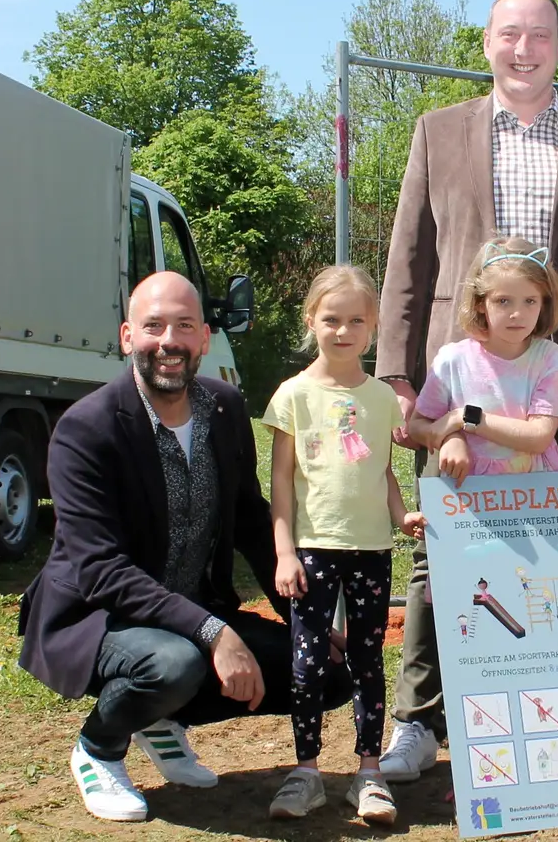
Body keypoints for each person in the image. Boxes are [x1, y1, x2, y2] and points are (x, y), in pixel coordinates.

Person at [375, 0, 558, 780]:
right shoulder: (437, 132)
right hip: (458, 385)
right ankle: (418, 718)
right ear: (487, 43)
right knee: (439, 552)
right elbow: (408, 260)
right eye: (508, 35)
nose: (523, 50)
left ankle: (555, 702)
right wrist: (395, 373)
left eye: (539, 36)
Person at [17, 272, 350, 823]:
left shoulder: (223, 409)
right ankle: (99, 749)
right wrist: (214, 633)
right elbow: (100, 570)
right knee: (175, 664)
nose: (168, 340)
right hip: (99, 617)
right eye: (153, 326)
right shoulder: (86, 430)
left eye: (184, 326)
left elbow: (249, 521)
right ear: (128, 337)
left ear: (203, 339)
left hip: (192, 614)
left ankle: (160, 718)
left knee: (325, 670)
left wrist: (304, 617)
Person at [261, 266, 426, 824]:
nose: (343, 330)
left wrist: (403, 516)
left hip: (372, 552)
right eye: (331, 319)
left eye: (357, 320)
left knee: (366, 660)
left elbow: (384, 472)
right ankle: (305, 771)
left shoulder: (382, 399)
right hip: (310, 550)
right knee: (307, 664)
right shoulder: (293, 396)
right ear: (311, 321)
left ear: (374, 328)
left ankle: (369, 772)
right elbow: (280, 482)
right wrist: (284, 551)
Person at [406, 237, 558, 483]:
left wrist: (466, 418)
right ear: (480, 303)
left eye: (530, 301)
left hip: (536, 498)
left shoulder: (548, 358)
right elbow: (418, 425)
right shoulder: (453, 360)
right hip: (468, 496)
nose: (517, 314)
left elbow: (539, 437)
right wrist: (451, 438)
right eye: (503, 301)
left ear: (544, 303)